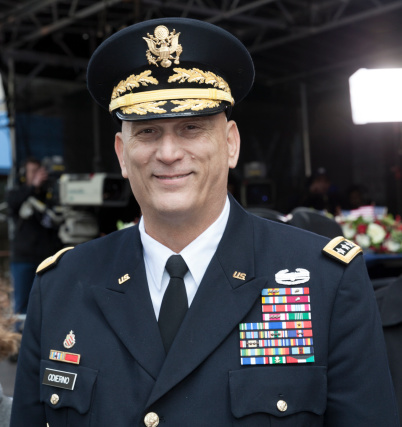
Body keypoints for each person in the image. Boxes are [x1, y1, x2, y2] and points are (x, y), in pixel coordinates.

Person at [10, 18, 399, 427]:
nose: (169, 152)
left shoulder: (326, 281)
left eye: (192, 127)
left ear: (230, 144)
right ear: (122, 154)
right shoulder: (60, 286)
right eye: (147, 132)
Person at [6, 157, 62, 325]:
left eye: (40, 171)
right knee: (22, 305)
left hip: (47, 259)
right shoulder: (17, 193)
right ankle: (18, 346)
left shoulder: (49, 195)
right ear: (24, 175)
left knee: (47, 303)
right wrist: (33, 186)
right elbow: (12, 203)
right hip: (23, 259)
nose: (39, 175)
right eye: (33, 171)